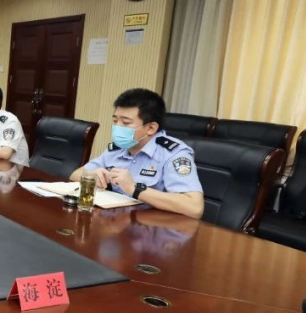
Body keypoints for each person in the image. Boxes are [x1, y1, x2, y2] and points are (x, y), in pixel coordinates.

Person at [69, 88, 204, 219]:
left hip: (153, 228)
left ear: (150, 128)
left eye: (125, 122)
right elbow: (75, 174)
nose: (117, 127)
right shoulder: (118, 148)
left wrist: (135, 189)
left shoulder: (174, 154)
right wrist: (92, 176)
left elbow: (194, 208)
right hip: (117, 222)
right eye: (115, 121)